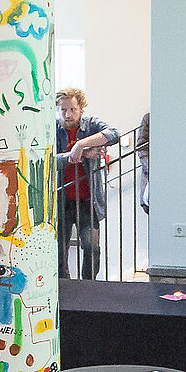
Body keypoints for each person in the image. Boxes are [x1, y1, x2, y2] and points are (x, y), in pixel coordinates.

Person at [52, 89, 121, 279]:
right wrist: (77, 154)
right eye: (63, 110)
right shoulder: (51, 128)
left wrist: (80, 144)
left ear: (81, 109)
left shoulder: (90, 125)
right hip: (61, 199)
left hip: (87, 201)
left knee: (92, 248)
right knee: (59, 251)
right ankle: (64, 290)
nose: (68, 114)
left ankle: (88, 289)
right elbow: (49, 160)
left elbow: (114, 134)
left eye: (72, 109)